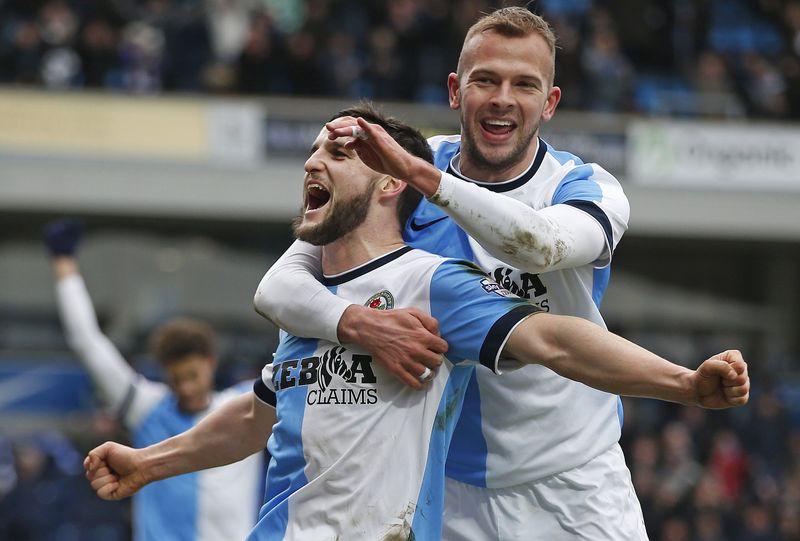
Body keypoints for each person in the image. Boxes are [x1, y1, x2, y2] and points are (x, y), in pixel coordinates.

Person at [84, 105, 750, 540]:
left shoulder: (429, 285)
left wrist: (685, 382)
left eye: (338, 153)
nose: (313, 162)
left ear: (388, 182)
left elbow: (555, 340)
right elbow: (259, 416)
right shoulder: (306, 302)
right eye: (314, 150)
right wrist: (148, 461)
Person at [254, 7, 646, 540]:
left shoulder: (584, 186)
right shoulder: (398, 175)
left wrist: (421, 176)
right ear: (455, 91)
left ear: (549, 103)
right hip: (446, 488)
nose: (503, 97)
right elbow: (281, 285)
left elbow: (540, 245)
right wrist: (358, 322)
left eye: (524, 84)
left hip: (574, 484)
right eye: (486, 79)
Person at [43, 218, 264, 541]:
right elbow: (87, 341)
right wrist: (63, 262)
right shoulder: (146, 407)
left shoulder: (245, 408)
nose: (186, 387)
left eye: (192, 375)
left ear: (211, 364)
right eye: (176, 379)